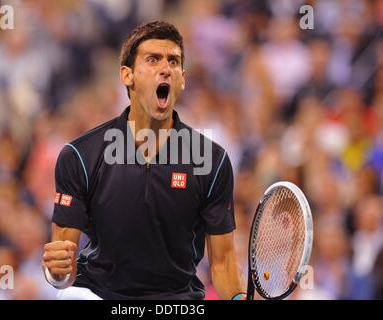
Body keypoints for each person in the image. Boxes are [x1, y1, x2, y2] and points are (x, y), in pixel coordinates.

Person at [42, 21, 246, 300]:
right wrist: (56, 271)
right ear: (127, 76)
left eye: (173, 61)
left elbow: (222, 264)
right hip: (97, 294)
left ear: (182, 79)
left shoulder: (212, 160)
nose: (165, 68)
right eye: (153, 59)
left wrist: (238, 299)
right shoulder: (79, 156)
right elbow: (63, 267)